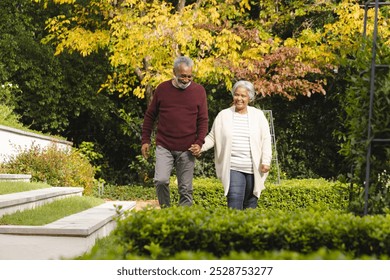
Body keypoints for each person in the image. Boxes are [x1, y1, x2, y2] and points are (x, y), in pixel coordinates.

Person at [190, 80, 272, 210]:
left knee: (250, 204)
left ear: (249, 98)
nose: (239, 98)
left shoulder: (258, 116)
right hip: (233, 167)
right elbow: (213, 137)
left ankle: (249, 230)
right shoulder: (224, 115)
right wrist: (200, 146)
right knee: (234, 200)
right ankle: (233, 229)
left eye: (243, 96)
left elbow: (266, 139)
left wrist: (266, 161)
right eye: (236, 95)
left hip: (254, 168)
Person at [141, 56, 208, 208]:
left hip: (187, 148)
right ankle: (167, 212)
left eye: (189, 76)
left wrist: (199, 143)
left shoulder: (199, 91)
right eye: (182, 76)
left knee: (185, 189)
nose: (186, 80)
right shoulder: (162, 89)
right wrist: (145, 140)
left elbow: (203, 120)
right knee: (161, 180)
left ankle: (182, 222)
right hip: (164, 145)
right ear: (174, 72)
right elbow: (150, 116)